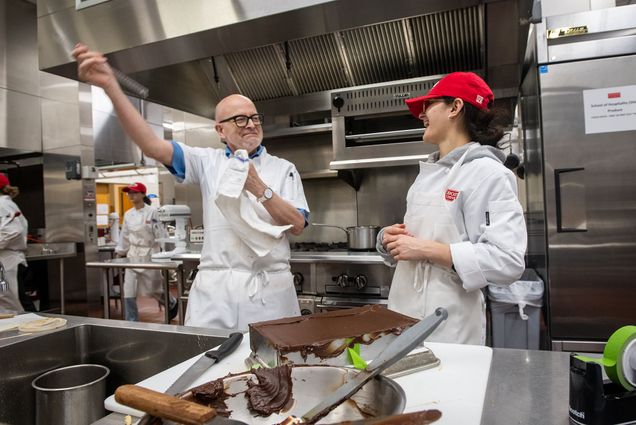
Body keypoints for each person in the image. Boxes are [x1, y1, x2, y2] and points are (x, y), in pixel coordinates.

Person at [73, 43, 309, 331]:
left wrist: (260, 188)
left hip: (269, 290)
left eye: (254, 117)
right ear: (220, 130)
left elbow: (297, 224)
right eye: (239, 119)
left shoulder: (283, 169)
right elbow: (151, 145)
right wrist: (111, 87)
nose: (250, 124)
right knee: (207, 366)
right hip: (216, 291)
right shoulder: (205, 162)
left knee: (274, 369)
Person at [377, 72, 527, 345]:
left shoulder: (489, 173)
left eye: (429, 105)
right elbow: (419, 239)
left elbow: (508, 261)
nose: (421, 114)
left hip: (449, 324)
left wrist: (426, 250)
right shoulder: (428, 173)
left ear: (455, 107)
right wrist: (390, 240)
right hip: (402, 314)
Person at [115, 182, 178, 322]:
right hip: (133, 256)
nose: (131, 195)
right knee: (129, 291)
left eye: (134, 192)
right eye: (129, 192)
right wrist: (120, 252)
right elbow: (124, 235)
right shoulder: (128, 214)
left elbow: (161, 235)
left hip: (150, 255)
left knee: (153, 290)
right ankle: (131, 321)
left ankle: (172, 303)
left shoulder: (152, 212)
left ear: (143, 194)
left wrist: (168, 255)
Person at [0, 173, 30, 314]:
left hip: (8, 262)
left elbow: (13, 231)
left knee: (16, 304)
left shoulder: (2, 204)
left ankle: (40, 331)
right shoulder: (6, 203)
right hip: (7, 261)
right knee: (12, 301)